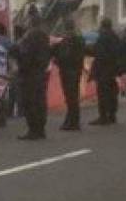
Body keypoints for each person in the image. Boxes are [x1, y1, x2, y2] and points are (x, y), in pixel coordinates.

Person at [13, 9, 51, 140]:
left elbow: (25, 55)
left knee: (30, 101)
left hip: (29, 74)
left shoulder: (30, 36)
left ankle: (33, 129)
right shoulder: (44, 36)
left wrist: (17, 55)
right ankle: (40, 129)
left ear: (31, 22)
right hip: (41, 72)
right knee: (40, 101)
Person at [88, 17, 122, 126]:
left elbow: (99, 53)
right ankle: (112, 115)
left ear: (102, 26)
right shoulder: (115, 37)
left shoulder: (103, 38)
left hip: (103, 70)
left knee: (103, 94)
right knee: (112, 93)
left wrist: (89, 49)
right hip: (113, 70)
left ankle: (103, 116)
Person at [53, 17, 85, 131]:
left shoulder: (69, 40)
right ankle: (72, 120)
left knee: (71, 97)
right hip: (75, 70)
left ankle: (72, 122)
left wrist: (57, 60)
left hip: (68, 71)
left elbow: (65, 56)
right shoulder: (79, 39)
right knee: (73, 97)